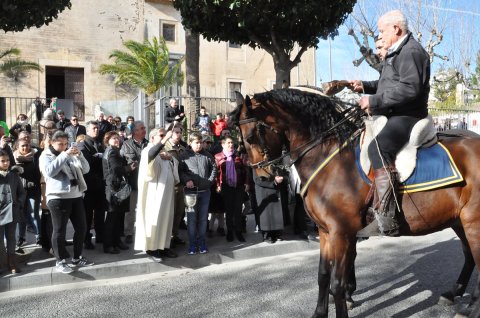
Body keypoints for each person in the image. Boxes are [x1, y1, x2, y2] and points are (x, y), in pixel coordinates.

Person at [348, 10, 431, 237]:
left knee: (377, 148)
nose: (380, 35)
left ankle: (387, 215)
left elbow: (410, 89)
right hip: (394, 112)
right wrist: (364, 86)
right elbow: (388, 84)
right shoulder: (398, 51)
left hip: (408, 116)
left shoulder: (412, 52)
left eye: (383, 30)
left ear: (396, 29)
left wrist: (373, 101)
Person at [39, 130, 93, 274]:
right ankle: (60, 261)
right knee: (59, 230)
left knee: (82, 227)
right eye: (60, 144)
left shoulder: (69, 154)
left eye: (65, 144)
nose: (63, 146)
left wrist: (79, 155)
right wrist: (65, 154)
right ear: (51, 143)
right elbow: (49, 172)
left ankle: (76, 257)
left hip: (75, 195)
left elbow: (86, 169)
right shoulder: (46, 155)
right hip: (58, 197)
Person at [135, 128, 178, 261]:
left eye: (164, 135)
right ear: (152, 138)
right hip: (153, 194)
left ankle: (163, 246)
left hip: (167, 194)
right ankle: (152, 249)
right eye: (161, 135)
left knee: (166, 219)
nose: (164, 137)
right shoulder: (148, 150)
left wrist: (171, 158)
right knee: (154, 220)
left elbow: (174, 165)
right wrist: (165, 140)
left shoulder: (162, 152)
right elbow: (151, 155)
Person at [179, 132, 216, 255]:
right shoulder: (184, 156)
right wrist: (186, 180)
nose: (199, 145)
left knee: (203, 219)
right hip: (190, 193)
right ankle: (192, 244)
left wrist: (209, 182)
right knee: (191, 219)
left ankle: (202, 242)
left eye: (200, 142)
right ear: (190, 143)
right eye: (196, 143)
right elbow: (180, 171)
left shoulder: (208, 155)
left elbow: (213, 170)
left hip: (205, 192)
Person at [102, 131, 133, 254]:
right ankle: (108, 245)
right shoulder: (112, 152)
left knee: (117, 218)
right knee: (111, 218)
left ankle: (117, 242)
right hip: (113, 188)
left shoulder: (115, 151)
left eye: (118, 138)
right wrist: (128, 168)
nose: (117, 140)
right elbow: (115, 169)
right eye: (113, 138)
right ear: (108, 140)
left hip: (117, 187)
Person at [214, 136, 250, 242]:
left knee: (238, 209)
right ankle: (230, 231)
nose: (231, 145)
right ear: (223, 144)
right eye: (228, 143)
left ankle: (238, 231)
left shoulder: (238, 155)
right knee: (229, 210)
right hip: (226, 186)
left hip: (238, 186)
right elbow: (216, 173)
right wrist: (217, 185)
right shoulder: (217, 157)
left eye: (232, 143)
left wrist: (247, 183)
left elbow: (245, 171)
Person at [78, 121, 106, 249]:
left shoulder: (99, 143)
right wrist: (98, 158)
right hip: (89, 186)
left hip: (100, 184)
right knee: (87, 215)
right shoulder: (83, 144)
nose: (97, 130)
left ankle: (100, 235)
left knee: (100, 212)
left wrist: (99, 157)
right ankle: (86, 239)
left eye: (98, 128)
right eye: (94, 128)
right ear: (87, 130)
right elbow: (86, 164)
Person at [120, 121, 148, 244]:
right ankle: (129, 233)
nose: (144, 130)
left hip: (147, 183)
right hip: (133, 182)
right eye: (141, 128)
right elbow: (128, 162)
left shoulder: (149, 143)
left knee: (146, 209)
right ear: (135, 131)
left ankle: (145, 231)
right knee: (130, 211)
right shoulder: (126, 144)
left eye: (144, 128)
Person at [14, 134, 42, 248]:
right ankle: (22, 238)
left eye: (27, 145)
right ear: (17, 147)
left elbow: (39, 172)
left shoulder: (35, 156)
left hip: (33, 188)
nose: (25, 148)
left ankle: (39, 237)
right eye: (23, 146)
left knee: (33, 214)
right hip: (19, 190)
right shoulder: (13, 158)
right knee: (21, 215)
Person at [0, 150, 26, 274]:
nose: (6, 163)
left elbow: (21, 192)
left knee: (11, 238)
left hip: (12, 211)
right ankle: (1, 263)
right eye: (2, 161)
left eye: (7, 160)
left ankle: (11, 262)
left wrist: (19, 203)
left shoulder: (14, 175)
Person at [163, 124, 188, 247]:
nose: (178, 135)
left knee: (179, 213)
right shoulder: (164, 148)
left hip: (180, 184)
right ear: (170, 133)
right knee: (169, 213)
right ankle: (168, 238)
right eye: (176, 132)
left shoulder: (183, 148)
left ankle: (175, 235)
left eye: (180, 132)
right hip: (169, 185)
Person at [253, 170, 286, 243]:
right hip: (263, 191)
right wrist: (274, 182)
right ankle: (267, 235)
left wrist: (280, 178)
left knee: (275, 213)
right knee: (266, 215)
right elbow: (258, 180)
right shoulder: (256, 165)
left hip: (274, 189)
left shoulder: (272, 163)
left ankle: (276, 233)